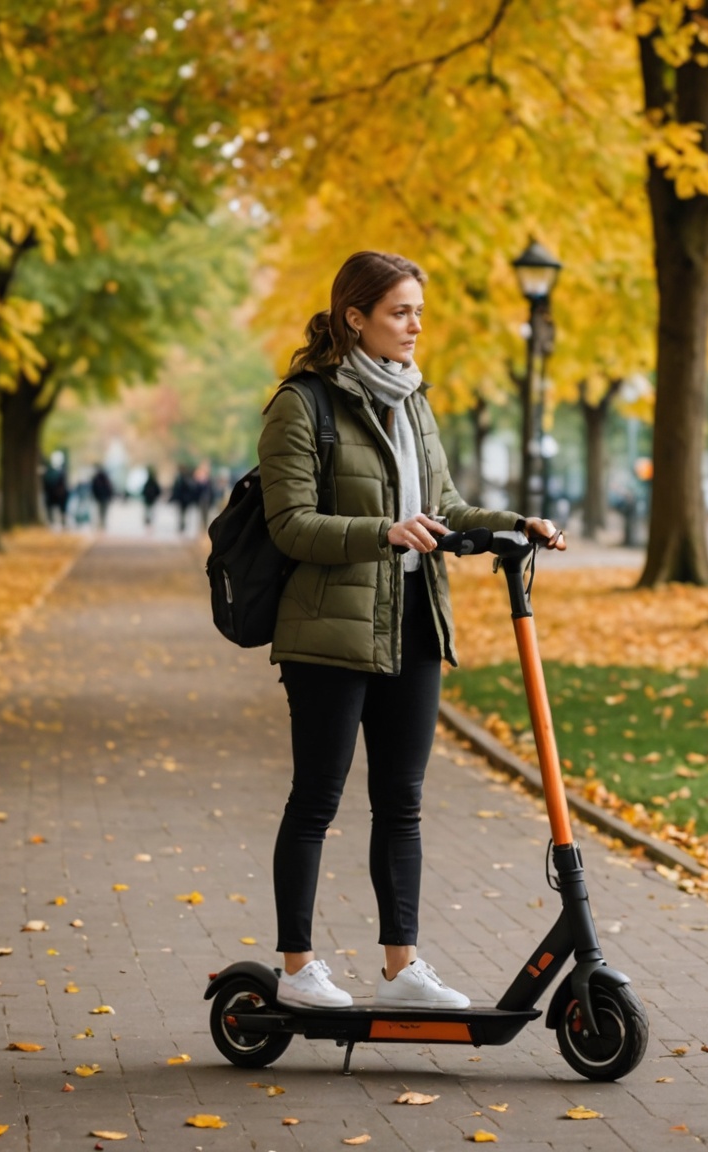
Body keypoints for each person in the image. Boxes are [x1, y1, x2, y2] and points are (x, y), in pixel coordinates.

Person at [259, 250, 565, 1012]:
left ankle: (402, 969)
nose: (415, 325)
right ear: (353, 317)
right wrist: (383, 534)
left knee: (403, 802)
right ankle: (296, 968)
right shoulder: (302, 405)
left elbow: (448, 507)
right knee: (317, 800)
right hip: (331, 633)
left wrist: (514, 525)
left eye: (418, 311)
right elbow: (291, 524)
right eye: (400, 311)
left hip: (414, 628)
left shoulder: (414, 402)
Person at [41, 455, 69, 529]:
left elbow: (45, 486)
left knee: (50, 509)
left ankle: (52, 523)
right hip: (59, 495)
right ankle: (62, 523)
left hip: (51, 495)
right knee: (62, 510)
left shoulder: (47, 474)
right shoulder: (60, 473)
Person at [89, 466, 114, 531]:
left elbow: (93, 489)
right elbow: (110, 489)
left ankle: (101, 524)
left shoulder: (97, 479)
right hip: (103, 498)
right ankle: (102, 524)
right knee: (103, 512)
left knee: (100, 511)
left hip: (101, 498)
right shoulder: (105, 479)